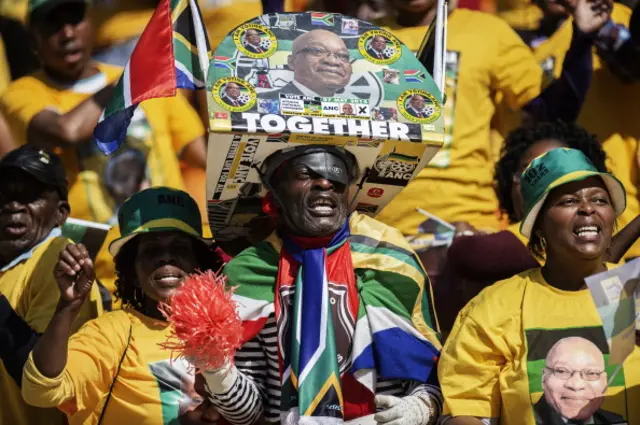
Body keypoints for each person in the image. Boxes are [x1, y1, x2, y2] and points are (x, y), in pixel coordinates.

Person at [197, 145, 443, 424]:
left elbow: (432, 373)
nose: (325, 182)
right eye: (305, 173)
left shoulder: (390, 259)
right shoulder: (246, 275)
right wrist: (217, 371)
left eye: (337, 176)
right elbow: (250, 415)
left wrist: (422, 407)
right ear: (274, 195)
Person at [376, 0, 611, 237]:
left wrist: (582, 37)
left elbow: (551, 112)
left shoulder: (488, 32)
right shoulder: (362, 39)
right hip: (377, 228)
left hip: (470, 223)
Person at [438, 148, 640, 425]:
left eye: (599, 200)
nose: (588, 208)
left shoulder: (634, 289)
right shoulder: (495, 306)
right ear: (539, 226)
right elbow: (467, 411)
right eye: (568, 201)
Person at [21, 187, 226, 425]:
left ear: (199, 262)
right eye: (152, 250)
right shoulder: (112, 334)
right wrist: (68, 306)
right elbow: (40, 390)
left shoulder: (231, 324)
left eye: (180, 248)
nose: (166, 258)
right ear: (133, 271)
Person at [0, 0, 207, 225]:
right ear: (33, 40)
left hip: (169, 239)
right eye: (53, 25)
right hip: (92, 255)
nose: (67, 34)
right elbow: (66, 132)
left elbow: (204, 157)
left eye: (75, 19)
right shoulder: (22, 93)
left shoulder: (144, 80)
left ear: (92, 25)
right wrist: (127, 82)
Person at [0, 145, 101, 425]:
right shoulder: (9, 266)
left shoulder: (59, 262)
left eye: (30, 196)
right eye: (3, 195)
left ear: (61, 213)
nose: (13, 205)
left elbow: (43, 384)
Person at [535, 337, 624, 424]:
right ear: (544, 378)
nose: (576, 385)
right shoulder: (524, 420)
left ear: (605, 381)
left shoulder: (616, 421)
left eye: (591, 373)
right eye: (562, 371)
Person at [262, 29, 352, 99]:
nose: (333, 61)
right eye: (318, 51)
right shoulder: (262, 101)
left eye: (342, 55)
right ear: (292, 61)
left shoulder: (357, 110)